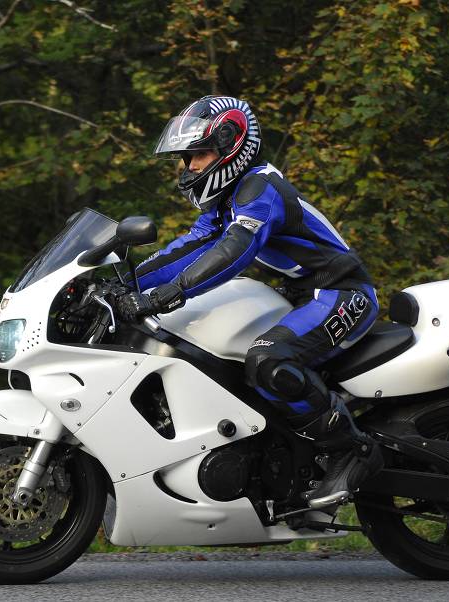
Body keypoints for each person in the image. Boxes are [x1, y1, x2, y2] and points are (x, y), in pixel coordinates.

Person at [114, 95, 383, 509]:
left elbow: (234, 250)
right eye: (186, 159)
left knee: (268, 359)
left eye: (199, 155)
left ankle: (351, 450)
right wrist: (119, 281)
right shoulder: (229, 198)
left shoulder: (260, 188)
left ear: (231, 146)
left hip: (343, 293)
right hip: (301, 295)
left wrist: (171, 293)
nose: (189, 167)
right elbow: (187, 249)